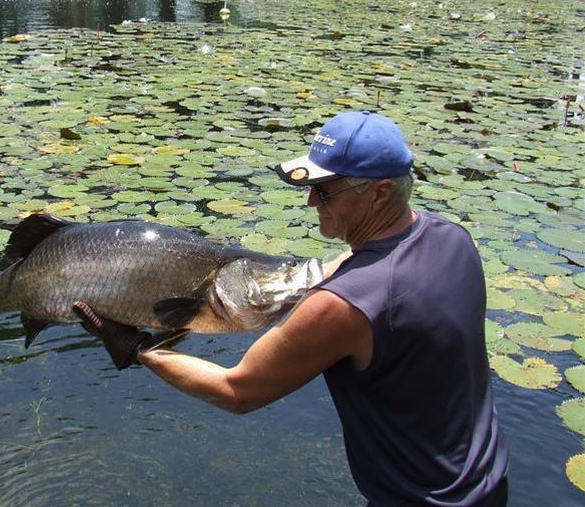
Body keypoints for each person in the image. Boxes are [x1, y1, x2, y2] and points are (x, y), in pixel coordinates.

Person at [73, 110, 509, 506]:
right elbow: (361, 269)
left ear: (378, 193)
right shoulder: (453, 238)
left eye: (325, 192)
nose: (311, 203)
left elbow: (237, 391)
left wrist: (140, 350)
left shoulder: (342, 307)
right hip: (486, 480)